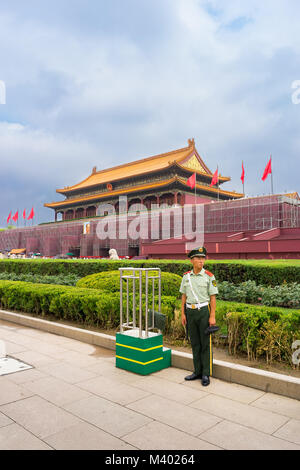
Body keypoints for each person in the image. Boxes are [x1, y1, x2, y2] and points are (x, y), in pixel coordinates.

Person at [180, 246, 218, 386]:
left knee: (205, 344)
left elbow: (213, 297)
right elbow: (184, 296)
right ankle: (197, 371)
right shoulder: (186, 276)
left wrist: (212, 316)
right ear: (192, 260)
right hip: (190, 312)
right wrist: (183, 313)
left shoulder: (209, 276)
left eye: (203, 258)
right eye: (198, 258)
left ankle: (206, 374)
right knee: (195, 343)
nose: (202, 261)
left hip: (203, 311)